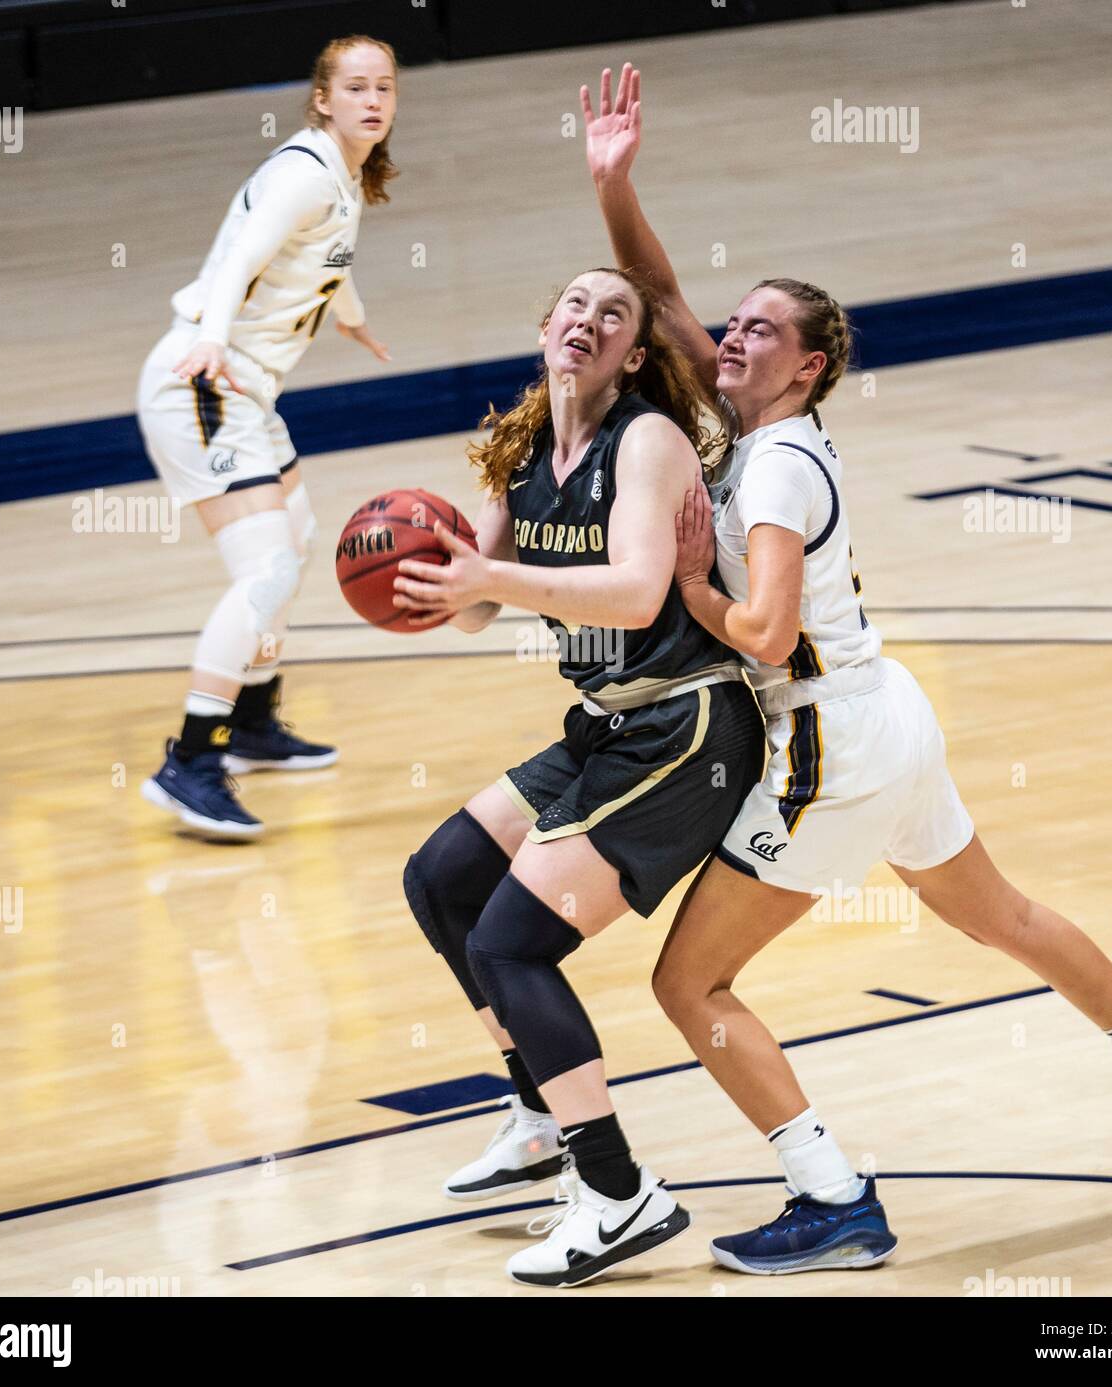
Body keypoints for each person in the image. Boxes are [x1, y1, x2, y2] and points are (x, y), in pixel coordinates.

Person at [582, 63, 1112, 1276]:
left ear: (810, 365)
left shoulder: (771, 467)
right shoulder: (753, 426)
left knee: (689, 980)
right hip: (887, 712)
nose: (731, 334)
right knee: (1000, 916)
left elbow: (763, 635)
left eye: (761, 328)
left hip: (828, 743)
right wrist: (617, 184)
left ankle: (836, 1198)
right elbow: (660, 294)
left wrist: (684, 584)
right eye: (739, 319)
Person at [396, 267, 767, 1286]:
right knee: (443, 880)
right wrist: (423, 574)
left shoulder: (645, 441)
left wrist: (491, 578)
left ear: (635, 356)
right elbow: (474, 606)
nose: (590, 321)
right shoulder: (518, 450)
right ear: (547, 325)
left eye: (616, 315)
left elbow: (641, 592)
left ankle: (615, 1191)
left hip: (689, 724)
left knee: (513, 944)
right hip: (607, 724)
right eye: (574, 304)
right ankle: (534, 1108)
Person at [137, 34, 397, 839]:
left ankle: (251, 719)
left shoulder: (338, 174)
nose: (372, 100)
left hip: (244, 393)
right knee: (266, 569)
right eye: (355, 87)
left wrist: (351, 321)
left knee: (298, 535)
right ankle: (193, 758)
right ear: (322, 97)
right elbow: (241, 259)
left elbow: (327, 261)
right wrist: (212, 337)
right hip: (202, 384)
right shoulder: (300, 173)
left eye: (384, 87)